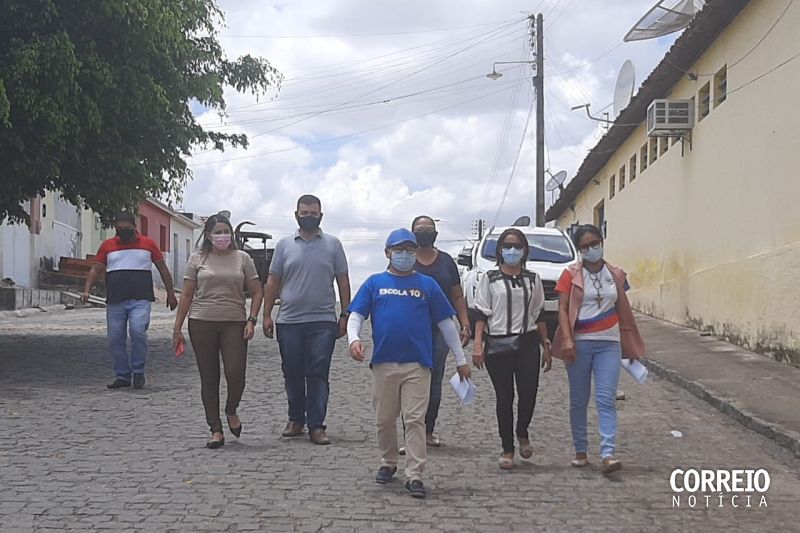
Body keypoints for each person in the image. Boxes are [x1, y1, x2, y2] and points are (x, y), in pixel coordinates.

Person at [347, 228, 471, 499]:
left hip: (418, 364)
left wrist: (460, 359)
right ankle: (389, 462)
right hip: (383, 363)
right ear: (387, 253)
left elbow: (445, 324)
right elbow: (356, 314)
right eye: (399, 250)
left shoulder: (427, 285)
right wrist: (353, 339)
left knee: (415, 420)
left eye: (409, 250)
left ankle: (415, 474)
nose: (404, 255)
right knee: (385, 419)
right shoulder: (374, 282)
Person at [551, 224, 645, 475]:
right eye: (585, 246)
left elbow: (622, 307)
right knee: (579, 400)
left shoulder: (616, 274)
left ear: (602, 242)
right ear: (579, 249)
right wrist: (567, 339)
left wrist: (630, 342)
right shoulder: (569, 274)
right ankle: (580, 451)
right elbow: (562, 309)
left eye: (595, 243)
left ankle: (608, 453)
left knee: (606, 399)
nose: (591, 249)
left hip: (609, 343)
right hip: (579, 343)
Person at [262, 195, 350, 445]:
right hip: (289, 320)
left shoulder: (333, 245)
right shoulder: (284, 245)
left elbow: (343, 280)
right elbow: (273, 281)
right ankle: (295, 420)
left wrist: (345, 314)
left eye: (313, 213)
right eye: (304, 212)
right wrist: (266, 314)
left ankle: (316, 425)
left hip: (322, 321)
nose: (309, 216)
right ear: (296, 214)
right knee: (292, 372)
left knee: (318, 373)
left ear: (321, 215)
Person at [172, 213, 263, 449]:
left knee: (236, 373)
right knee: (208, 376)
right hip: (202, 322)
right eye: (218, 232)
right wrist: (177, 327)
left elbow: (257, 291)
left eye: (226, 231)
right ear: (209, 235)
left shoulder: (242, 258)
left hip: (234, 322)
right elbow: (187, 295)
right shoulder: (197, 259)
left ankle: (231, 408)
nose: (222, 236)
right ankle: (215, 428)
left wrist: (252, 319)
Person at [472, 228, 552, 470]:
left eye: (517, 245)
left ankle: (522, 431)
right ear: (500, 250)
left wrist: (546, 344)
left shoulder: (532, 279)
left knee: (529, 393)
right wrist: (478, 344)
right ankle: (507, 447)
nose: (512, 250)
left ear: (525, 249)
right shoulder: (490, 278)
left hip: (527, 342)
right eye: (507, 245)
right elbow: (481, 313)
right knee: (504, 397)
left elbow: (539, 313)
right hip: (498, 343)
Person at [83, 212, 178, 390]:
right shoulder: (107, 246)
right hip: (115, 300)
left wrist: (171, 293)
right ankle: (122, 375)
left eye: (127, 228)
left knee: (137, 332)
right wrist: (87, 290)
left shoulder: (148, 244)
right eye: (120, 228)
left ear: (134, 226)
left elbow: (163, 269)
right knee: (115, 339)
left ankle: (138, 371)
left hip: (140, 299)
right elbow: (96, 269)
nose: (123, 231)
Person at [409, 216, 471, 448]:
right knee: (410, 381)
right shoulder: (405, 260)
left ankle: (428, 430)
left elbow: (457, 295)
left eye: (429, 229)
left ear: (436, 233)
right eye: (419, 229)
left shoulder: (446, 262)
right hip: (411, 330)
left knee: (433, 381)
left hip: (440, 329)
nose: (424, 232)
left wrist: (464, 323)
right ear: (411, 232)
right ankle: (411, 432)